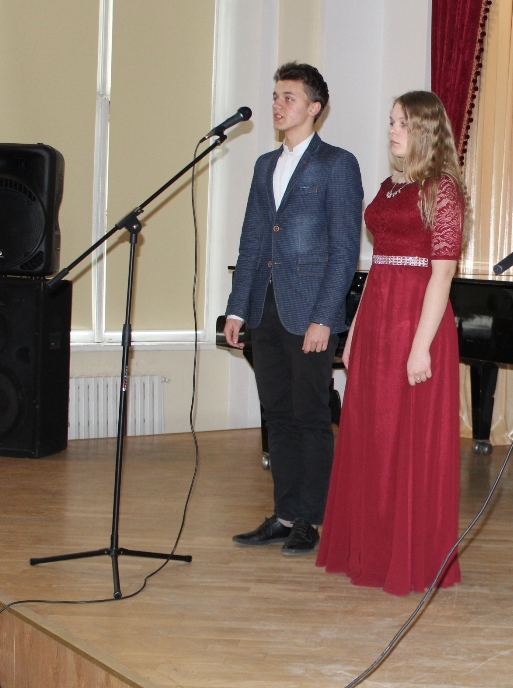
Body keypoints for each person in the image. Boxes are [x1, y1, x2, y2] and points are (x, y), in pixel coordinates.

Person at [316, 91, 467, 596]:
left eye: (401, 123)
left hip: (416, 322)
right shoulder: (388, 188)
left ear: (425, 130)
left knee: (406, 440)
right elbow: (377, 266)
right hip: (378, 318)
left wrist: (421, 346)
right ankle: (370, 547)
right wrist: (355, 331)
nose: (392, 130)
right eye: (391, 121)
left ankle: (409, 556)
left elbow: (442, 275)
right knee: (372, 437)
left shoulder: (443, 190)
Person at [224, 62, 362, 556]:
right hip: (264, 309)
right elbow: (252, 241)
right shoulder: (265, 165)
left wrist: (325, 317)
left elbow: (344, 250)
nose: (278, 105)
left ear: (314, 107)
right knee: (277, 414)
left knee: (310, 415)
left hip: (309, 313)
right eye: (275, 96)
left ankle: (311, 519)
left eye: (289, 97)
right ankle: (284, 514)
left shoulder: (336, 164)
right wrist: (236, 309)